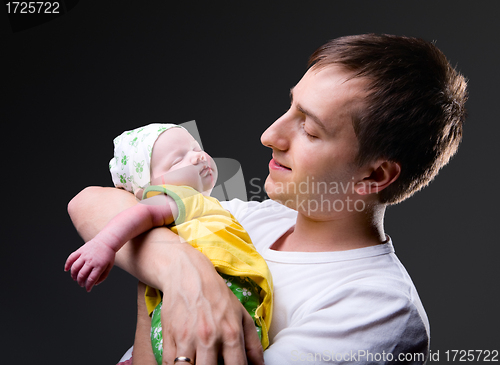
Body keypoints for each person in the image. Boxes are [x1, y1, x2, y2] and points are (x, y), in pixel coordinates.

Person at [67, 34, 467, 365]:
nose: (270, 135)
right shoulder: (248, 219)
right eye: (290, 106)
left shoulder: (377, 311)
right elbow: (91, 202)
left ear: (375, 175)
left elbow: (137, 214)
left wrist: (151, 270)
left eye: (309, 130)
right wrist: (185, 274)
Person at [65, 124, 273, 365]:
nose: (197, 156)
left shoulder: (203, 207)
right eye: (177, 161)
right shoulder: (179, 195)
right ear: (147, 188)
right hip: (220, 295)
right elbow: (143, 214)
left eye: (195, 148)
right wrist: (105, 243)